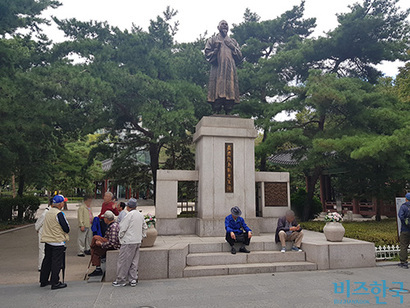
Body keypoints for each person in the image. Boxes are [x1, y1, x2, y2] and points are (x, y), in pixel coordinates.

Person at [205, 20, 242, 114]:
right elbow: (207, 54)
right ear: (218, 27)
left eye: (226, 25)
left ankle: (228, 109)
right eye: (223, 24)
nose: (225, 26)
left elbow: (240, 57)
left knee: (230, 89)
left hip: (230, 69)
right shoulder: (213, 40)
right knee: (217, 87)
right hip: (217, 69)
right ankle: (216, 109)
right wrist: (216, 50)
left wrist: (233, 47)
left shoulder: (233, 41)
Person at [113, 198, 147, 287]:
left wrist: (120, 237)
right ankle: (133, 279)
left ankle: (121, 279)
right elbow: (145, 227)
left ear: (128, 207)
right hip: (137, 240)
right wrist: (142, 236)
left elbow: (122, 228)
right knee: (134, 261)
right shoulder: (140, 215)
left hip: (128, 241)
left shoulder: (129, 215)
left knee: (123, 261)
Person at [39, 195, 70, 290]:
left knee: (47, 261)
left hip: (48, 241)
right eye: (63, 202)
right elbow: (66, 228)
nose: (63, 204)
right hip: (57, 241)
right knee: (56, 262)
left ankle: (43, 280)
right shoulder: (59, 214)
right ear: (60, 204)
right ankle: (55, 282)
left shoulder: (48, 212)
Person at [88, 210, 121, 277]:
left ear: (106, 219)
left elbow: (113, 243)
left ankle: (97, 269)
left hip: (114, 246)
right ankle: (93, 248)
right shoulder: (113, 225)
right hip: (110, 244)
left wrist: (101, 244)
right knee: (95, 248)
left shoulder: (113, 227)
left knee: (95, 239)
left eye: (104, 218)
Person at [34, 198, 52, 271]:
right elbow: (38, 223)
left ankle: (45, 265)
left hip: (48, 232)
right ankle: (41, 266)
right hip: (43, 233)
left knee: (47, 250)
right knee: (42, 249)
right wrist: (37, 229)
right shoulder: (46, 212)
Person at [398, 193, 410, 269]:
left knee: (403, 245)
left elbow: (400, 216)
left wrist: (405, 223)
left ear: (406, 199)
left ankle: (403, 261)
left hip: (405, 230)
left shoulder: (404, 206)